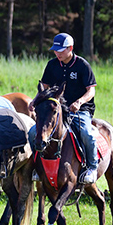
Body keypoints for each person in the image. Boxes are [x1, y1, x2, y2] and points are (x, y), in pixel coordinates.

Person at [28, 33, 99, 185]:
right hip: (55, 110)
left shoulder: (82, 65)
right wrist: (34, 101)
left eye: (61, 50)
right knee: (32, 132)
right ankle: (37, 167)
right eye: (55, 50)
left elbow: (91, 90)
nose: (57, 53)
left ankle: (92, 168)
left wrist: (79, 102)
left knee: (87, 133)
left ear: (70, 48)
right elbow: (44, 88)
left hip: (79, 110)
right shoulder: (52, 65)